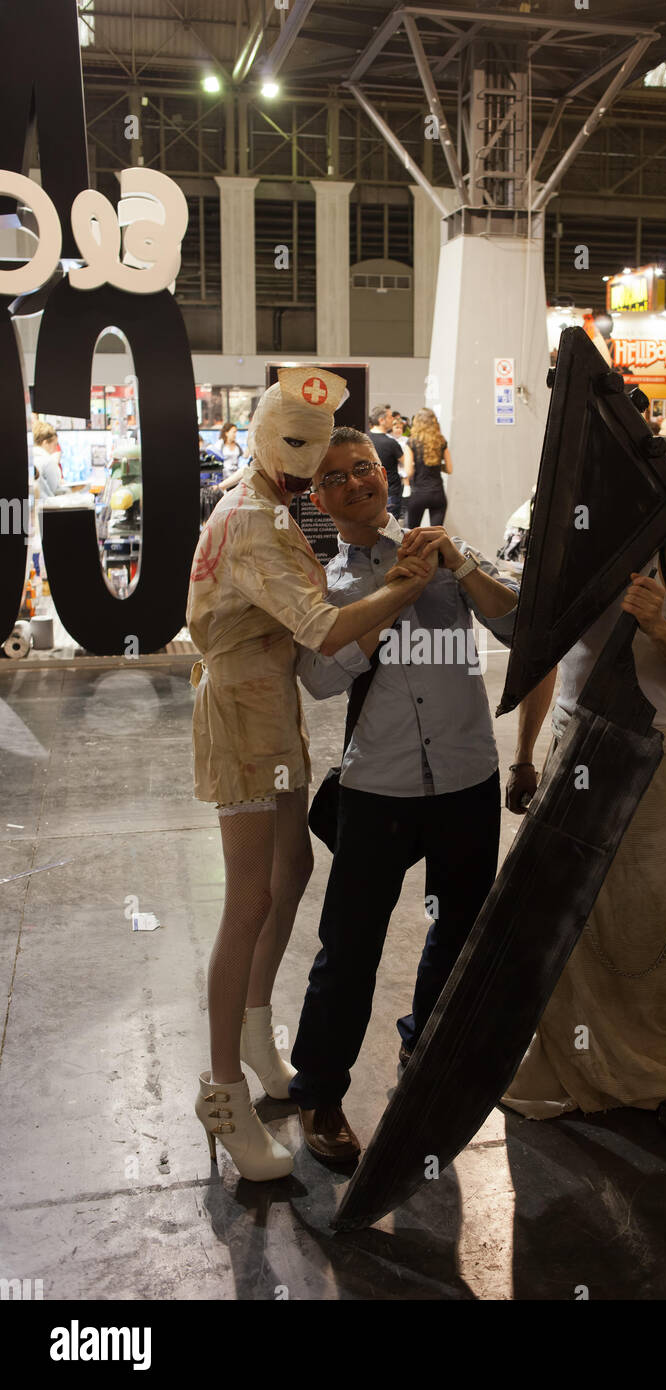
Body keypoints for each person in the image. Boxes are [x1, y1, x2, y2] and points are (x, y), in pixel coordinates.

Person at [186, 370, 436, 1183]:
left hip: (271, 708)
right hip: (243, 713)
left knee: (291, 871)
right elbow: (324, 630)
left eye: (320, 450)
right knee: (249, 899)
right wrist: (404, 585)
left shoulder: (265, 499)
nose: (310, 466)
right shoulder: (255, 518)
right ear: (263, 432)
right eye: (297, 447)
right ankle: (221, 1088)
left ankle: (256, 1034)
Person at [290, 427, 519, 1163]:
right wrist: (396, 596)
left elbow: (519, 624)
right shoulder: (326, 582)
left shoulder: (444, 551)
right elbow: (321, 679)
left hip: (466, 778)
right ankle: (320, 1094)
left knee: (458, 934)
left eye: (365, 468)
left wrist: (454, 566)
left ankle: (427, 1052)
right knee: (349, 948)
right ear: (320, 499)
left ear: (386, 476)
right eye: (337, 477)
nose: (358, 482)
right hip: (377, 788)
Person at [502, 508, 666, 1136]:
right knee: (563, 917)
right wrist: (523, 758)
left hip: (651, 751)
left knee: (651, 916)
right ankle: (567, 1068)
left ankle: (658, 1073)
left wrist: (657, 624)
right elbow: (543, 657)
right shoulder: (563, 544)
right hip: (574, 748)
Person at [405, 407, 452, 528]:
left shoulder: (412, 443)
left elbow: (408, 472)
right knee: (436, 534)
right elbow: (449, 469)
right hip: (438, 493)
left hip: (418, 493)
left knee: (413, 533)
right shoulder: (441, 441)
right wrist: (436, 465)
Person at [367, 403, 404, 518]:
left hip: (369, 492)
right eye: (390, 417)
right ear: (381, 420)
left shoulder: (364, 439)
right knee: (391, 531)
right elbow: (406, 464)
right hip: (390, 492)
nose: (392, 420)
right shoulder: (391, 443)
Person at [32, 421, 64, 499]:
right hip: (48, 506)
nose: (56, 448)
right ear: (45, 442)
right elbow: (55, 490)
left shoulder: (30, 458)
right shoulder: (48, 462)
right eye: (55, 444)